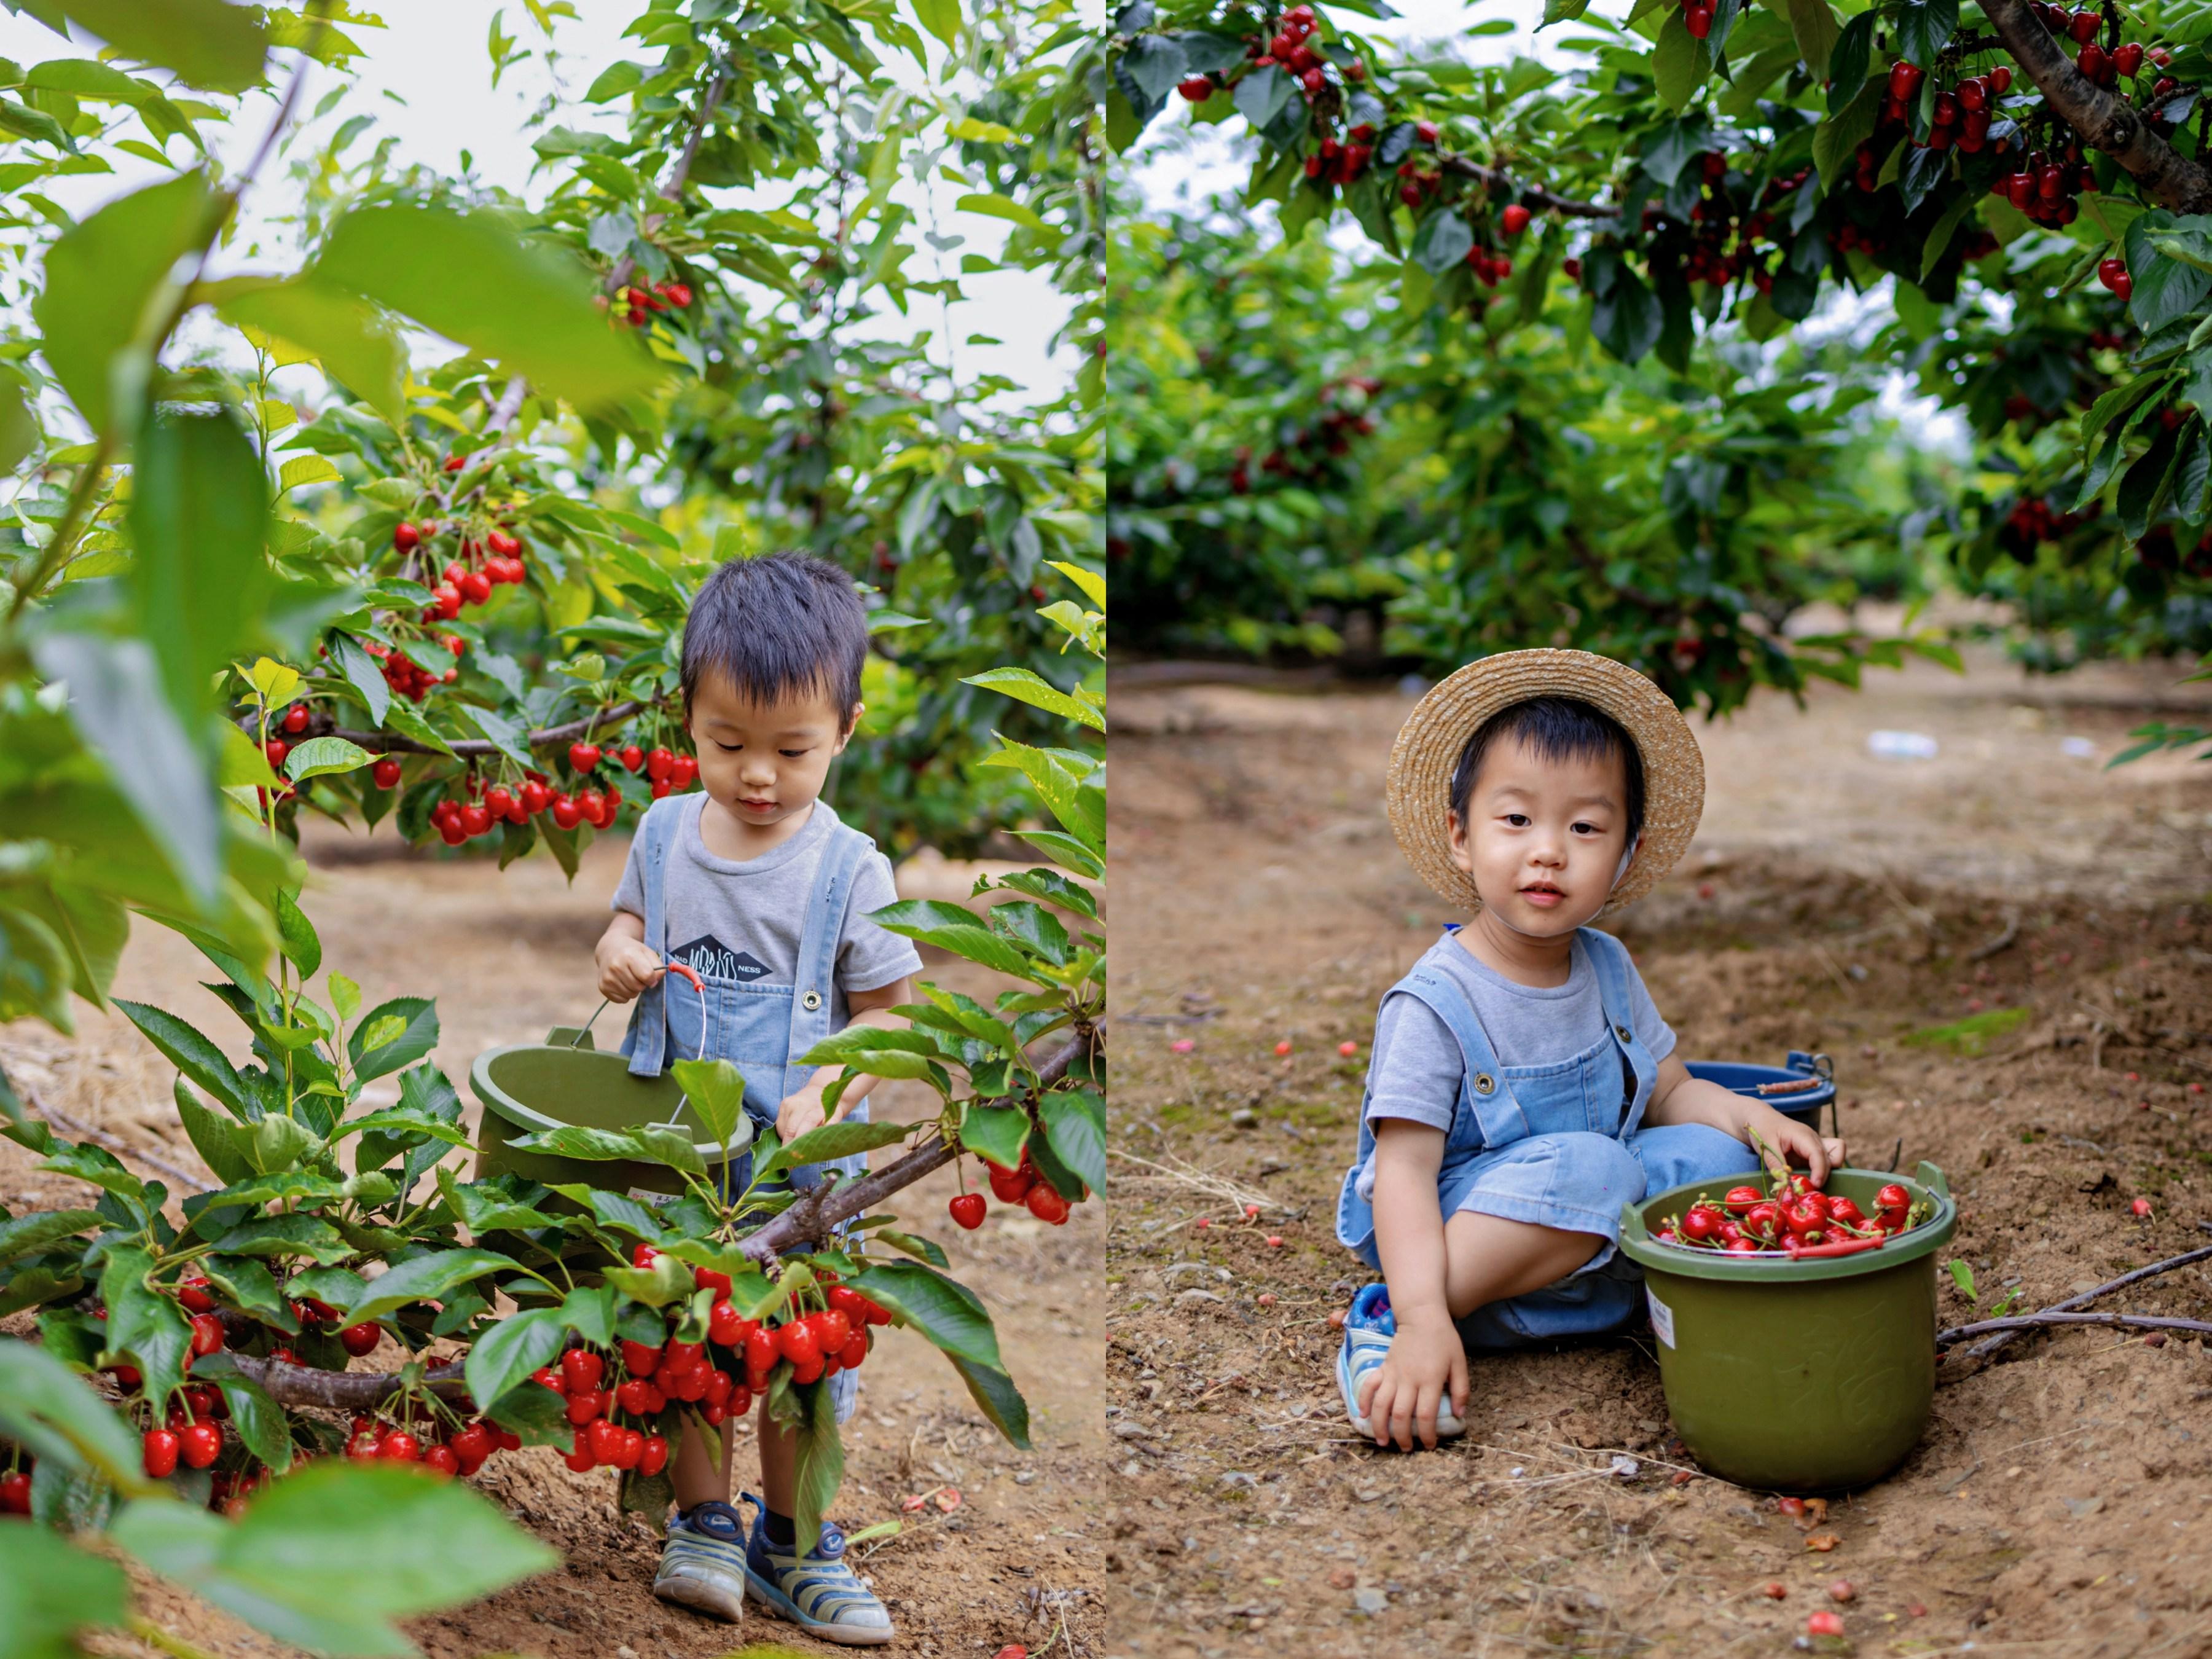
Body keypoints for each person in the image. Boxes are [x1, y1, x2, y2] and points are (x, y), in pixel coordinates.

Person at [1334, 649, 1845, 1452]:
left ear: (1626, 854)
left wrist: (1752, 1121)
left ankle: (1595, 1297)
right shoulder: (1433, 1002)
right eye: (1516, 821)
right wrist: (1423, 1316)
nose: (1548, 851)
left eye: (1583, 827)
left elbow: (1672, 1089)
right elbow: (1400, 1171)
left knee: (1717, 1160)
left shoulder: (1607, 965)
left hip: (1581, 1220)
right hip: (1469, 1229)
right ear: (1461, 838)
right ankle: (1396, 1321)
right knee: (1598, 1167)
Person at [594, 549, 920, 1644]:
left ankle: (795, 1540)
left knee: (802, 1360)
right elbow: (629, 924)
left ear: (847, 732)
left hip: (798, 1157)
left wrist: (830, 1077)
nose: (759, 776)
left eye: (793, 750)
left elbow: (892, 1008)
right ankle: (702, 1523)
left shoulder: (849, 868)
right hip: (679, 1146)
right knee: (683, 1341)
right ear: (689, 717)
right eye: (728, 744)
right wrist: (619, 950)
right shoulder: (662, 835)